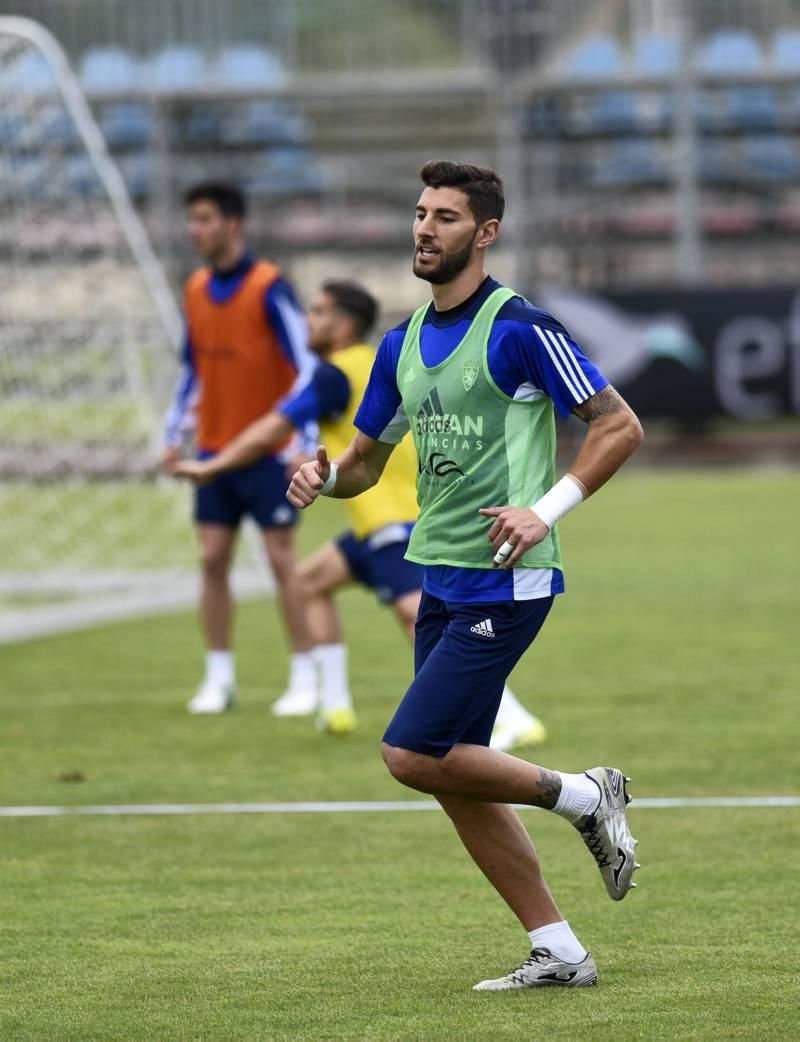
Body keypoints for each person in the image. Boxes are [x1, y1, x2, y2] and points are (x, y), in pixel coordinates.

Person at [287, 160, 644, 990]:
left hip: (507, 579)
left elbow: (618, 425)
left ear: (484, 233)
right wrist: (322, 480)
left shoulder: (520, 327)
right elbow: (365, 466)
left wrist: (544, 510)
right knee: (456, 775)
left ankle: (588, 795)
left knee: (411, 755)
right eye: (419, 213)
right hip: (440, 578)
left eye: (445, 217)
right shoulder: (400, 344)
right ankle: (558, 947)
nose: (424, 228)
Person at [176, 279, 547, 748]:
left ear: (344, 323)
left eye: (318, 312)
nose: (308, 320)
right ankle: (335, 706)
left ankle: (512, 716)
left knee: (419, 620)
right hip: (393, 516)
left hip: (389, 521)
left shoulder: (333, 373)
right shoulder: (381, 360)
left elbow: (277, 424)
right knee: (311, 582)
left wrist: (216, 465)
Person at [161, 181, 316, 715]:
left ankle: (304, 675)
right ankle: (219, 676)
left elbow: (308, 367)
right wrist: (172, 435)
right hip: (212, 450)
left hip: (269, 454)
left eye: (205, 218)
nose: (195, 229)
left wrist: (303, 439)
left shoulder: (270, 286)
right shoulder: (195, 288)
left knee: (280, 559)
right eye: (192, 220)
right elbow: (192, 372)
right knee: (211, 559)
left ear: (234, 224)